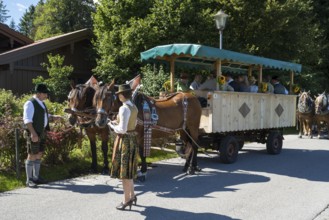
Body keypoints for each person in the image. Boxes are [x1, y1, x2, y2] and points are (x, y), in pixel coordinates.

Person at [23, 83, 62, 188]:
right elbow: (27, 120)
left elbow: (43, 116)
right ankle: (29, 180)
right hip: (34, 133)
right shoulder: (30, 103)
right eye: (45, 93)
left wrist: (53, 117)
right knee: (32, 155)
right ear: (39, 93)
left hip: (42, 133)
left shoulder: (41, 103)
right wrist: (33, 133)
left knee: (39, 154)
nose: (46, 95)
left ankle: (36, 177)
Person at [108, 84, 139, 211]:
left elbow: (122, 129)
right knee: (129, 171)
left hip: (125, 141)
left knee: (124, 174)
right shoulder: (134, 107)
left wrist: (111, 125)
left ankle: (126, 200)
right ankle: (132, 195)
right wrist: (118, 122)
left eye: (118, 94)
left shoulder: (123, 108)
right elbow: (134, 123)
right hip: (132, 139)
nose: (118, 96)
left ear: (122, 95)